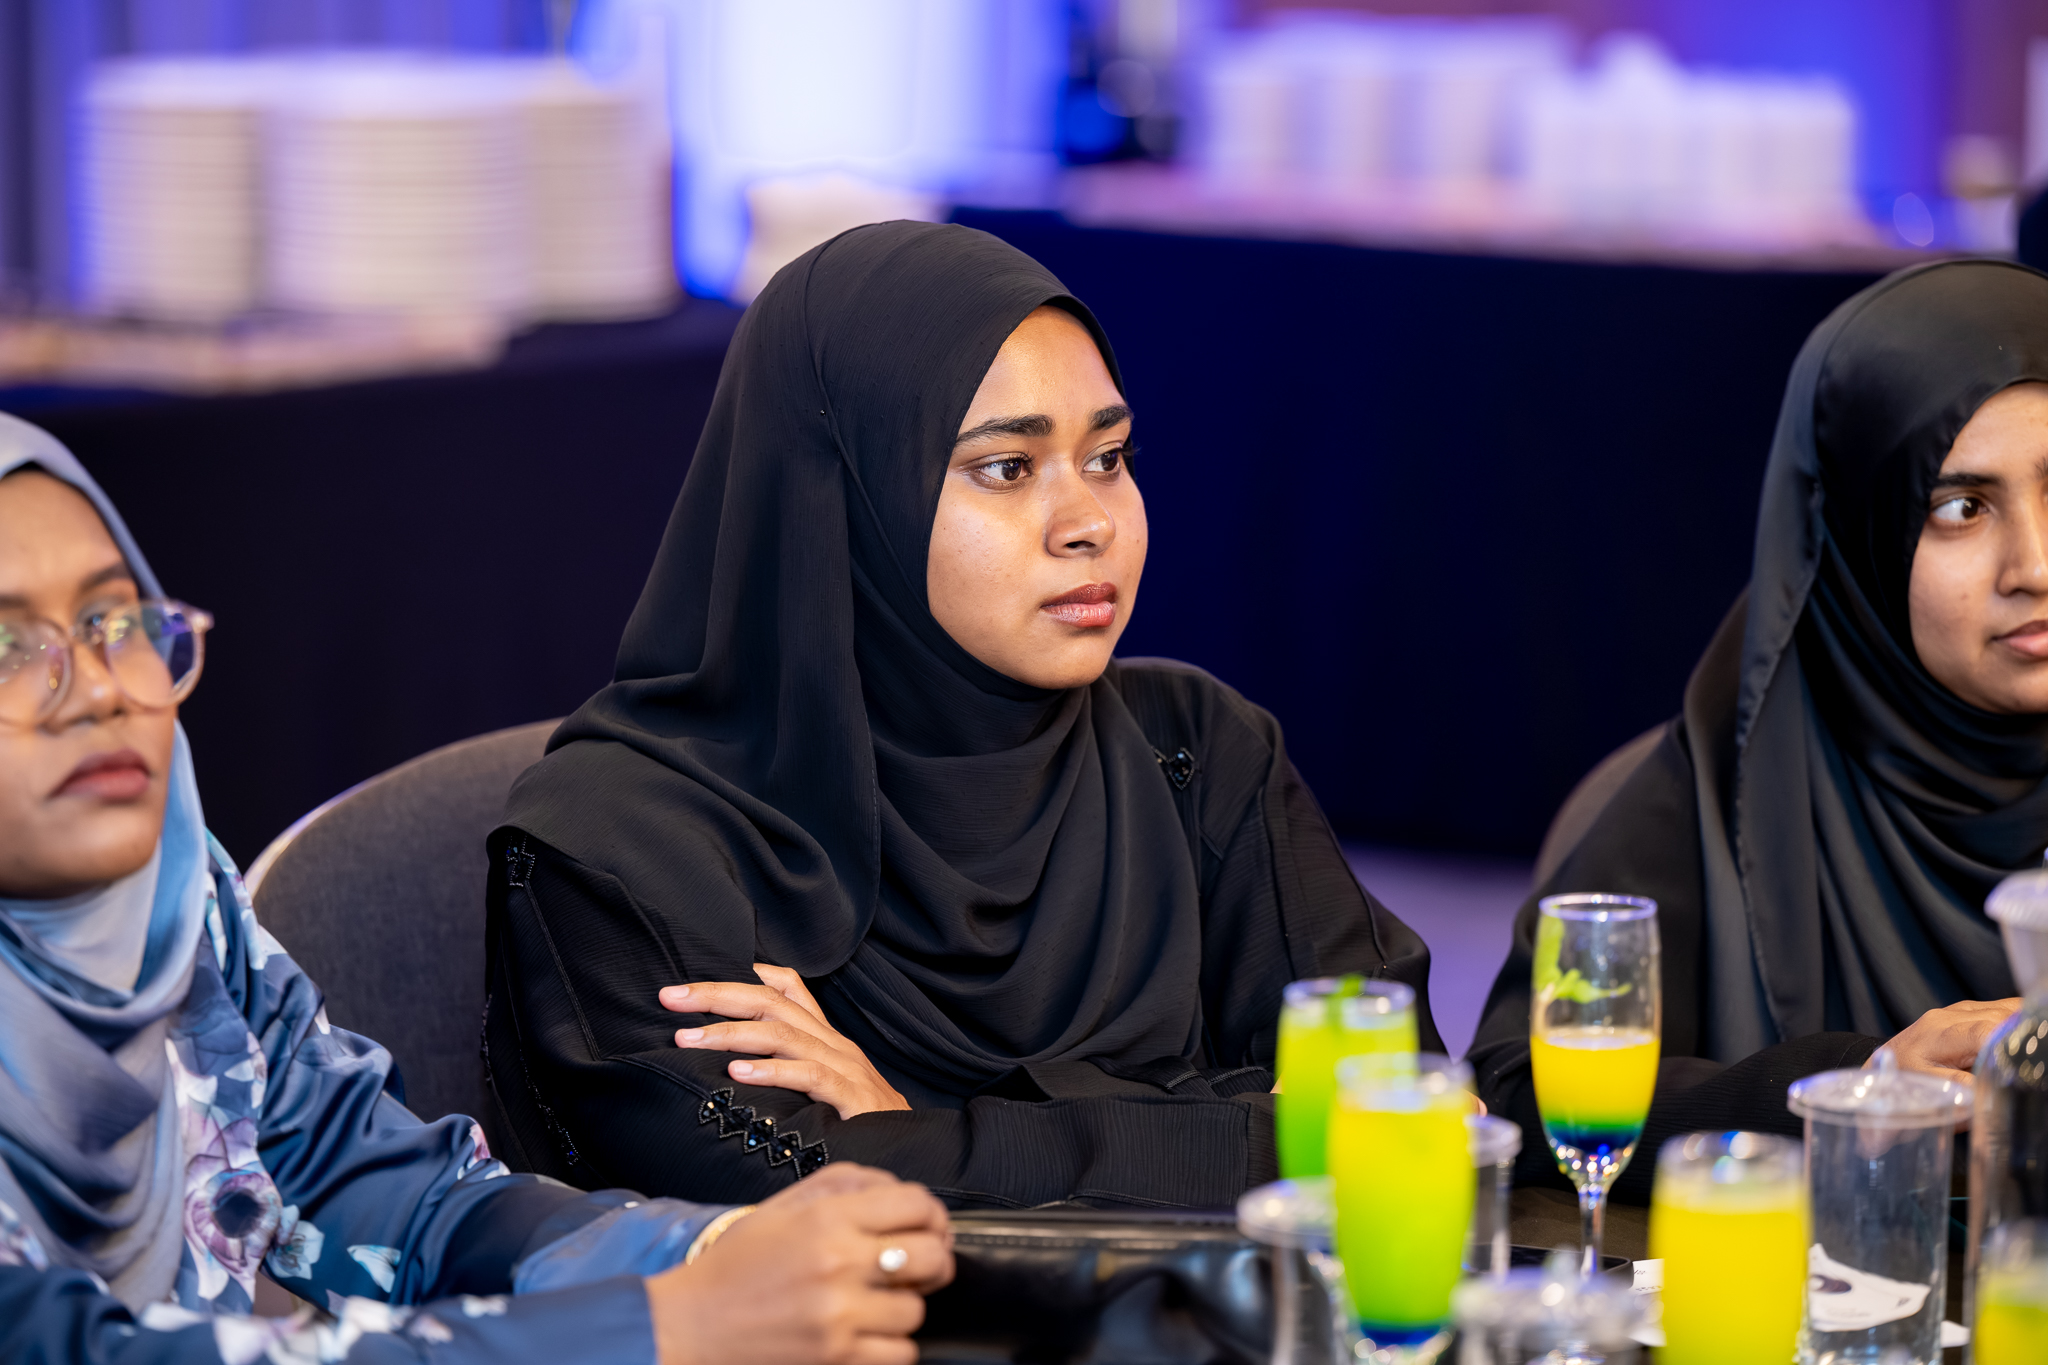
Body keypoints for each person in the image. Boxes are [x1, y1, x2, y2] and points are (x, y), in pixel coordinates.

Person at [483, 221, 1440, 1210]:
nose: (1091, 523)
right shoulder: (624, 847)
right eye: (1007, 468)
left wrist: (911, 1133)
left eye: (1108, 456)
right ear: (843, 500)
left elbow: (1404, 1105)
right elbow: (780, 1203)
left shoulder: (1191, 751)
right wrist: (1243, 1129)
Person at [0, 415, 953, 1365]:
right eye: (6, 645)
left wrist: (710, 1249)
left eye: (112, 621)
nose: (98, 689)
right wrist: (663, 1327)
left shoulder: (179, 909)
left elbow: (377, 1196)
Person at [1469, 259, 2048, 1200]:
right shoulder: (1713, 794)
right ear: (1853, 530)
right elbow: (1515, 1093)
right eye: (1960, 507)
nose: (2035, 564)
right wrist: (1854, 1090)